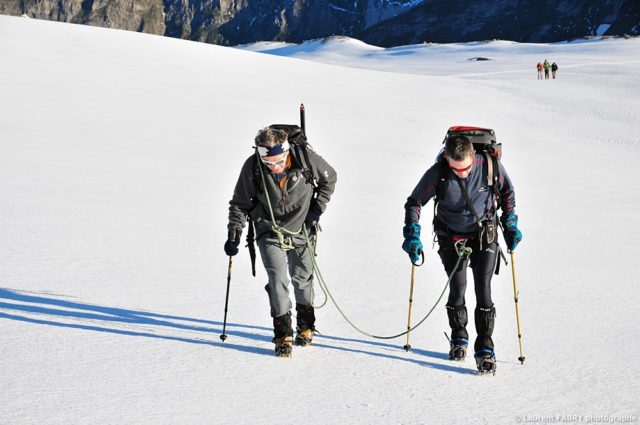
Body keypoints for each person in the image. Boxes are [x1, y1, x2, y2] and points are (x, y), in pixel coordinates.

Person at [402, 134, 522, 373]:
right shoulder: (439, 172)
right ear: (447, 158)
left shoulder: (488, 165)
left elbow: (507, 193)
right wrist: (412, 234)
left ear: (472, 158)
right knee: (458, 287)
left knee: (483, 287)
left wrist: (510, 223)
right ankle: (459, 338)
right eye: (457, 170)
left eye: (466, 168)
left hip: (484, 234)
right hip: (451, 238)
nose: (463, 174)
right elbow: (414, 202)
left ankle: (485, 349)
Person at [225, 126, 337, 357]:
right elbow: (239, 203)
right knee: (277, 281)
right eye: (268, 162)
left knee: (302, 278)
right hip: (269, 229)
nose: (274, 166)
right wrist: (234, 233)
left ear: (286, 151)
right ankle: (282, 336)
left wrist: (316, 210)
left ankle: (305, 327)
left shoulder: (305, 158)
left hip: (302, 230)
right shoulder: (253, 166)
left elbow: (330, 178)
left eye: (278, 160)